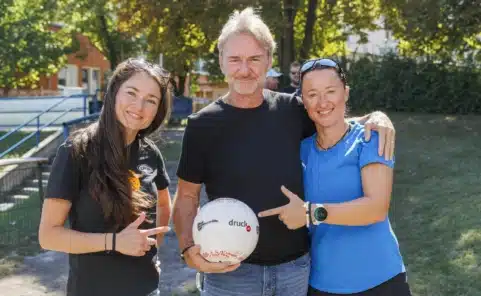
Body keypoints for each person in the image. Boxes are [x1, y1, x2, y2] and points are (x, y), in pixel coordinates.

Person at [172, 7, 396, 296]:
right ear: (221, 62)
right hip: (231, 272)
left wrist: (374, 117)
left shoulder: (291, 110)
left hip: (295, 270)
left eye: (254, 59)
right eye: (235, 59)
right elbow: (187, 195)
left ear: (268, 60)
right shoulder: (202, 125)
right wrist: (187, 247)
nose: (244, 69)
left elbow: (329, 118)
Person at [258, 58, 411, 296]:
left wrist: (310, 212)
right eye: (312, 94)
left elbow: (376, 208)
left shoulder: (370, 139)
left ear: (346, 93)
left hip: (381, 281)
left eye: (331, 91)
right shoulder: (300, 151)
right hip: (321, 285)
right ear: (304, 102)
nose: (323, 102)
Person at [38, 58, 173, 296]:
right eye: (131, 93)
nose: (139, 106)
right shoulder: (76, 152)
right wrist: (114, 242)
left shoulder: (150, 153)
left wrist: (153, 248)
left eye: (150, 100)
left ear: (158, 110)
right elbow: (49, 236)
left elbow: (163, 202)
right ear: (113, 93)